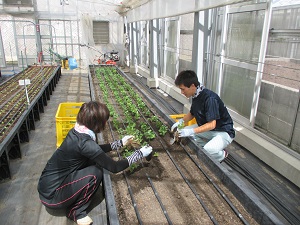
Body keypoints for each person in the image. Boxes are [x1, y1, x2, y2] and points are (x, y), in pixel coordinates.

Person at [37, 101, 152, 225]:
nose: (106, 123)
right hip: (53, 196)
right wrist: (139, 154)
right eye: (105, 121)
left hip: (47, 186)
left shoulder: (77, 132)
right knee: (95, 173)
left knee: (93, 161)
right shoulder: (85, 143)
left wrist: (119, 143)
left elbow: (94, 151)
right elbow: (114, 167)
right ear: (96, 123)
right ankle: (76, 212)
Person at [171, 70, 235, 163]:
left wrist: (190, 131)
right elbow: (192, 113)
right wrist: (180, 123)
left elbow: (212, 124)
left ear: (192, 86)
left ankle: (221, 155)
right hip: (209, 129)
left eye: (183, 89)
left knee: (208, 151)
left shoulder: (210, 99)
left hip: (223, 131)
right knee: (185, 135)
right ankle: (209, 147)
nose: (181, 92)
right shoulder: (196, 95)